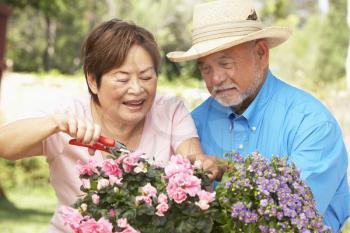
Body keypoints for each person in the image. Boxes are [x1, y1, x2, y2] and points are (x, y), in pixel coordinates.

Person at [0, 19, 219, 233]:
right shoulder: (69, 115)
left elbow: (193, 159)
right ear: (93, 81)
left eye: (146, 77)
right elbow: (4, 144)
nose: (137, 89)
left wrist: (205, 165)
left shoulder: (169, 112)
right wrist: (56, 123)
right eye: (122, 79)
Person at [167, 0, 350, 232]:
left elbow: (292, 214)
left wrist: (228, 169)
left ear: (261, 54)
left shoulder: (311, 123)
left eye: (225, 63)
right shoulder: (194, 124)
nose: (215, 79)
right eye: (205, 68)